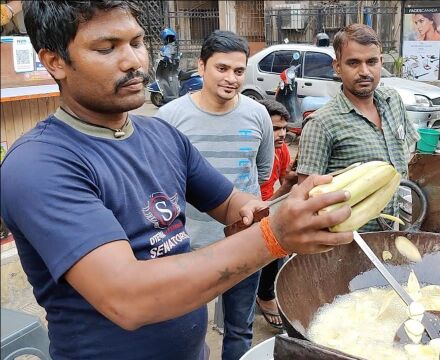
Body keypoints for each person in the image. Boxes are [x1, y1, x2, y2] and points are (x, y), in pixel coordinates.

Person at [0, 2, 353, 360]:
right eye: (107, 48)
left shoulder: (162, 136)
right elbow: (128, 297)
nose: (134, 61)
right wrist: (274, 236)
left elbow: (234, 205)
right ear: (54, 61)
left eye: (137, 42)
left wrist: (286, 204)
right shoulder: (40, 164)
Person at [155, 30, 274, 360]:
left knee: (240, 328)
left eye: (239, 71)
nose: (231, 78)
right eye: (222, 68)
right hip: (185, 245)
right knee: (184, 328)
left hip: (243, 240)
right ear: (201, 66)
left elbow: (261, 174)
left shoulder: (258, 114)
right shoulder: (169, 119)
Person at [296, 24, 419, 232]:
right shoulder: (321, 124)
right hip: (348, 245)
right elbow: (307, 201)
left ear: (381, 62)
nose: (364, 72)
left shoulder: (393, 101)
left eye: (371, 62)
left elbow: (406, 156)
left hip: (393, 232)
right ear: (337, 67)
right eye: (353, 63)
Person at [255, 99, 297, 330]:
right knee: (274, 238)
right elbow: (259, 208)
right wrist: (287, 187)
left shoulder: (281, 150)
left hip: (274, 204)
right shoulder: (256, 153)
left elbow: (285, 179)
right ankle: (265, 294)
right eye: (274, 129)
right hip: (254, 211)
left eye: (284, 128)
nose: (281, 134)